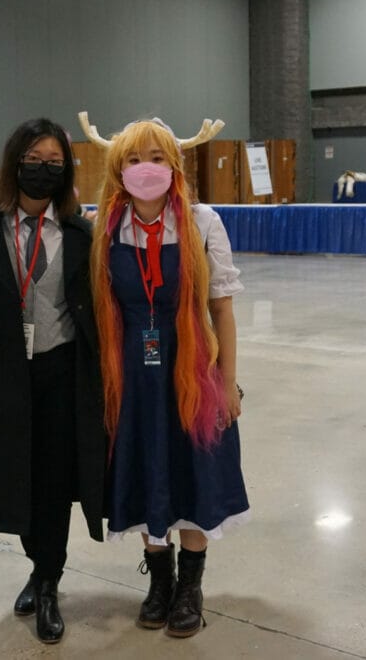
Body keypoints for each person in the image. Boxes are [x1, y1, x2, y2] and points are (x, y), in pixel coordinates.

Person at [80, 112, 250, 638]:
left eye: (156, 157)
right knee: (144, 469)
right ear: (117, 168)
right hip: (129, 374)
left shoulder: (202, 222)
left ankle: (189, 589)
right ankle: (158, 581)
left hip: (193, 370)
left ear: (174, 164)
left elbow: (221, 310)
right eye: (133, 159)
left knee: (193, 474)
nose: (145, 168)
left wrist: (227, 381)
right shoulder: (104, 226)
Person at [0, 118, 107, 644]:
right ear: (15, 162)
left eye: (55, 162)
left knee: (55, 484)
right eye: (35, 159)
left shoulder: (82, 234)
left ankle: (48, 584)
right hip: (0, 378)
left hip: (61, 374)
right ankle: (36, 565)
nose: (44, 169)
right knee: (17, 477)